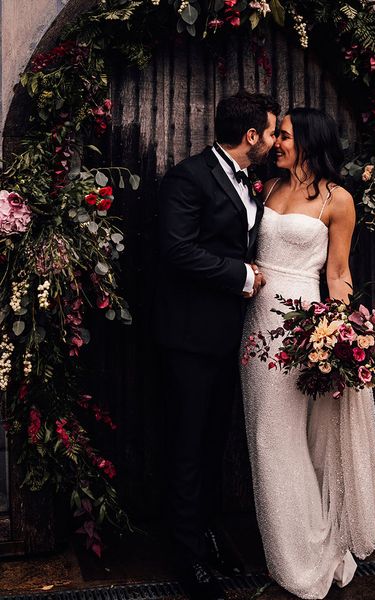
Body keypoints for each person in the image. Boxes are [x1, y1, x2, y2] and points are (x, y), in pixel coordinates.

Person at [240, 107, 375, 599]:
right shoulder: (265, 189)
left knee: (291, 436)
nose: (274, 142)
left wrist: (340, 331)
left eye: (282, 135)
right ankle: (296, 548)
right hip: (258, 323)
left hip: (304, 325)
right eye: (275, 134)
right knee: (267, 434)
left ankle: (311, 553)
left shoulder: (338, 199)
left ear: (307, 139)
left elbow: (339, 272)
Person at [155, 90, 280, 600]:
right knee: (187, 448)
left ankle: (206, 537)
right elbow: (176, 250)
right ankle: (189, 561)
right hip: (188, 338)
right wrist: (241, 274)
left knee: (211, 446)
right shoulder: (190, 177)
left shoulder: (250, 180)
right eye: (271, 132)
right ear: (251, 136)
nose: (274, 141)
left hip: (229, 335)